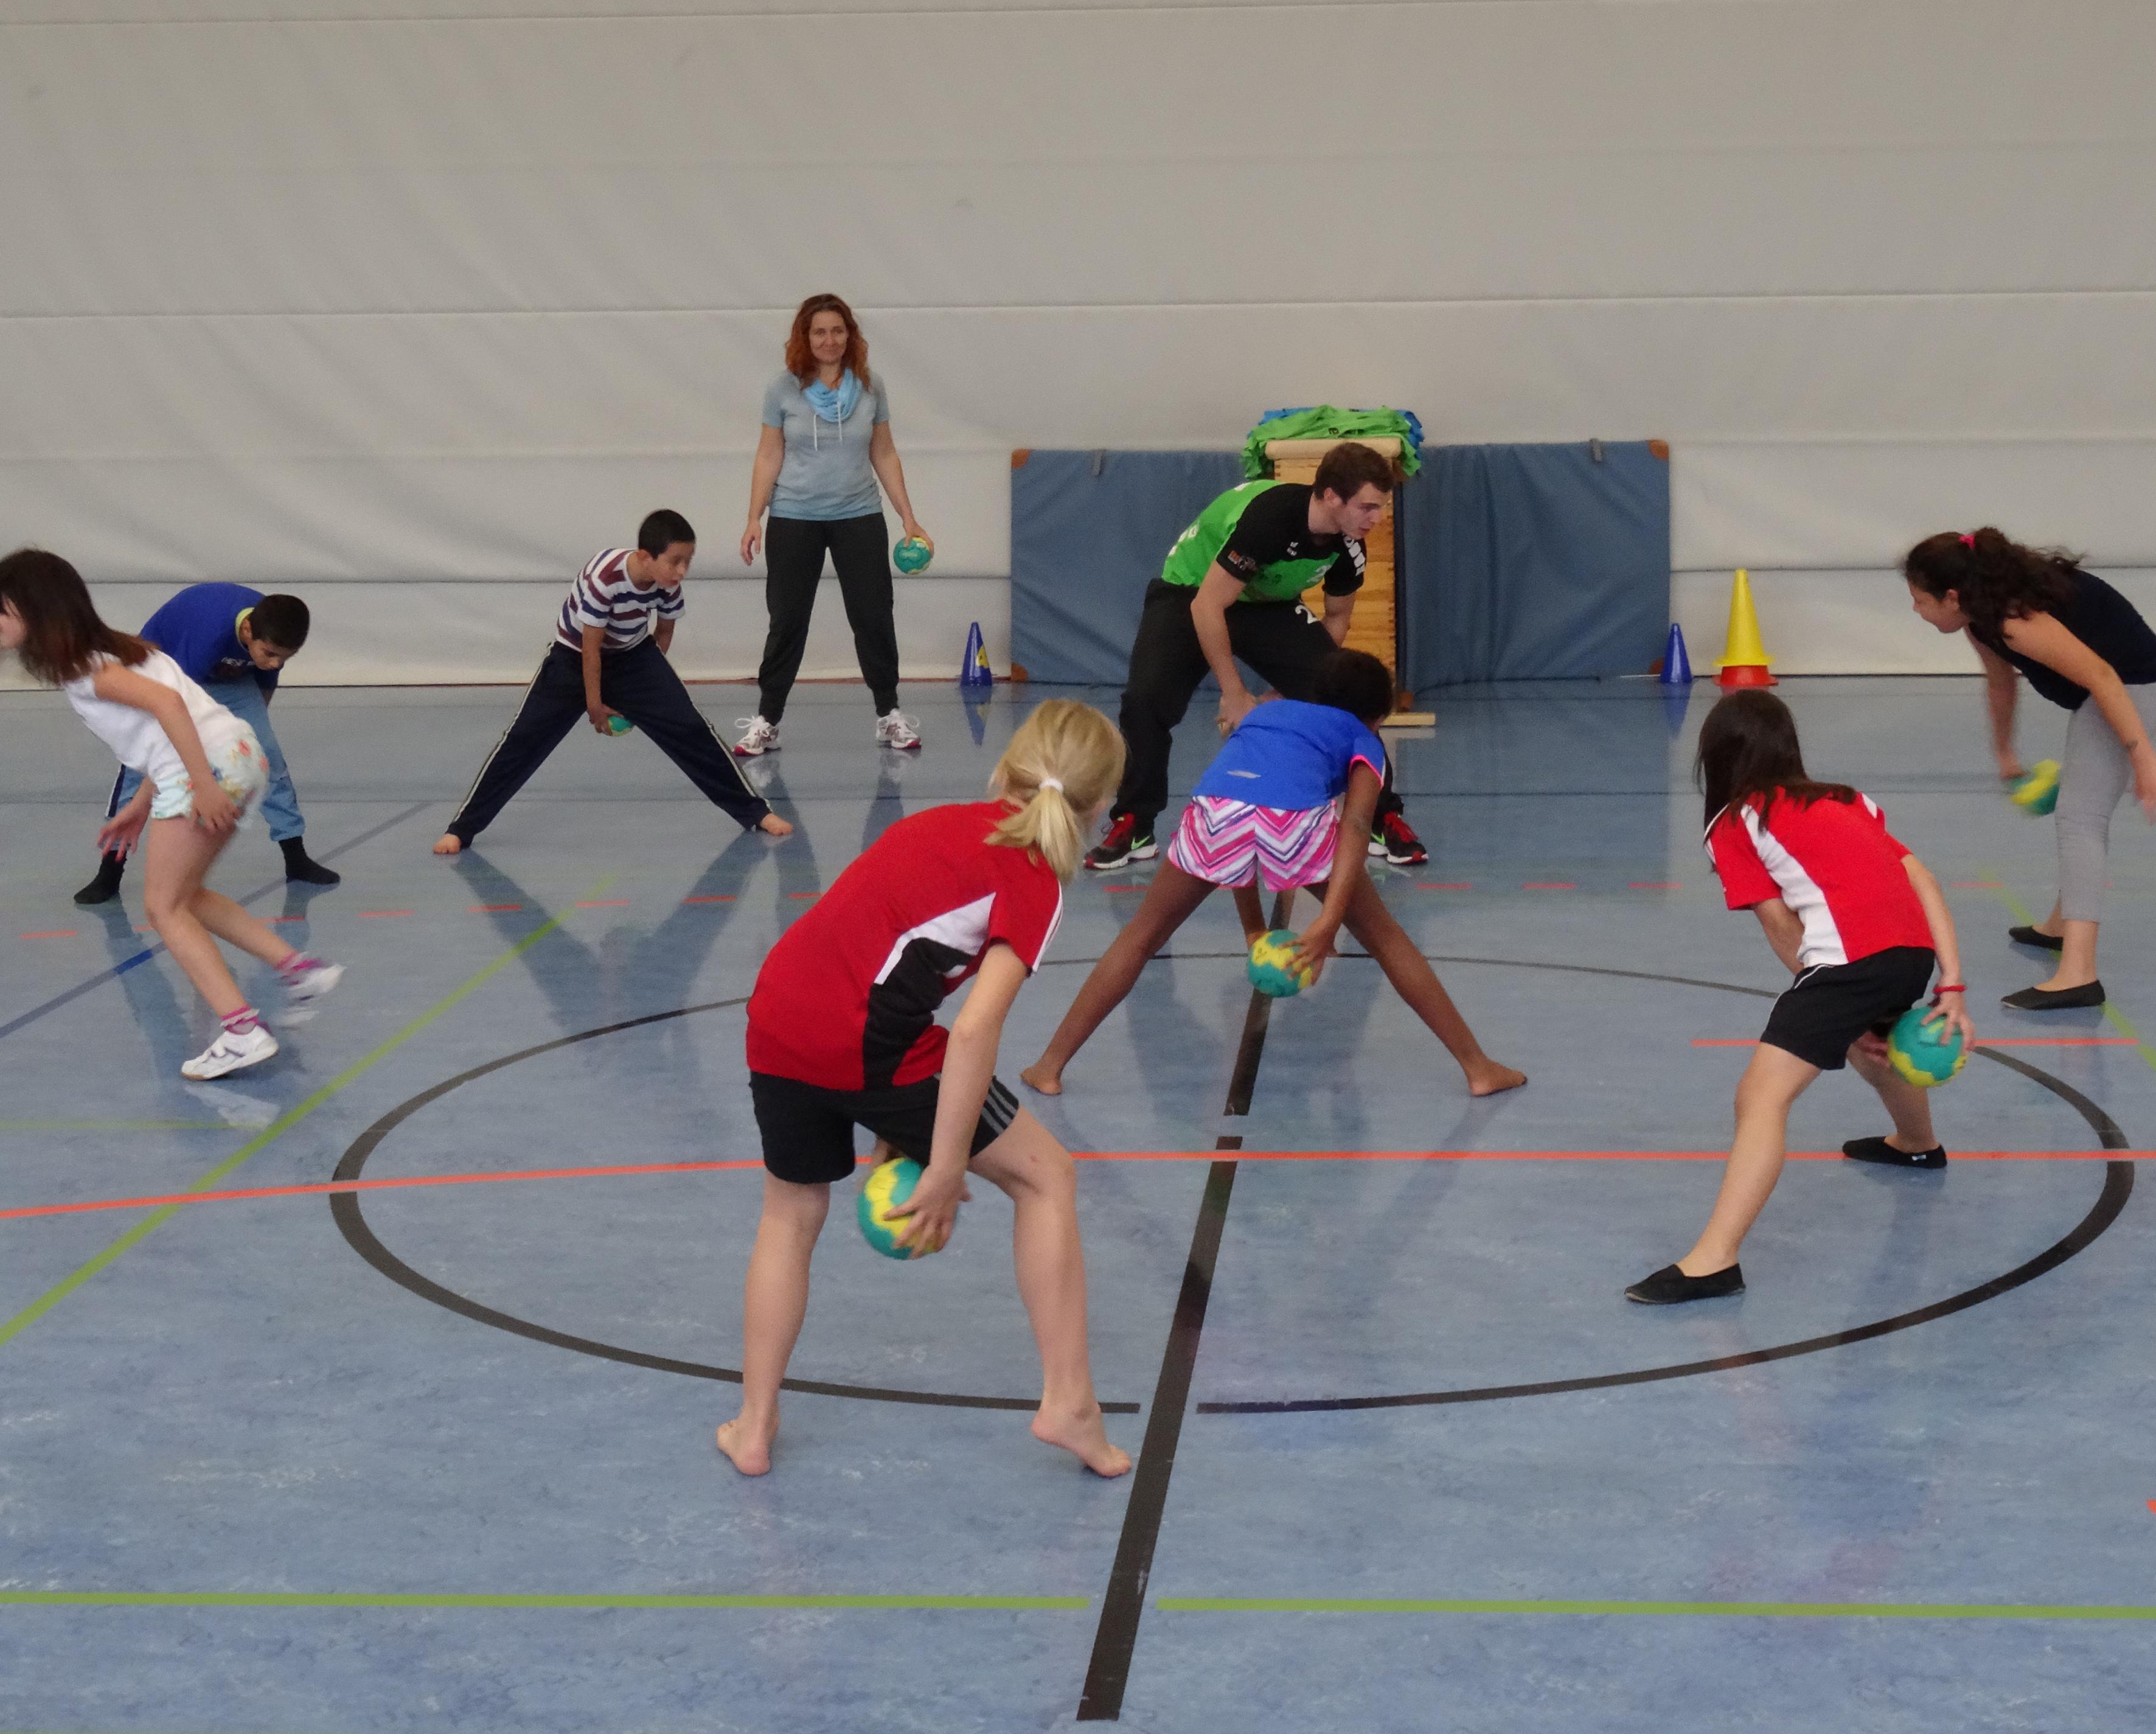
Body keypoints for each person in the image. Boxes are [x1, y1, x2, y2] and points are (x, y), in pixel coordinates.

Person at [717, 700, 1132, 1480]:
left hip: (776, 1016)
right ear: (1100, 807)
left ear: (1006, 768)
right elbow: (972, 1031)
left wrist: (894, 1125)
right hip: (867, 1042)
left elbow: (871, 949)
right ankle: (1070, 1404)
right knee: (1047, 1179)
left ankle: (754, 1425)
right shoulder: (1034, 879)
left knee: (790, 1213)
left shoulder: (938, 823)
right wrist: (942, 1167)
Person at [1024, 651, 1523, 1098]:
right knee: (1389, 941)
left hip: (1213, 812)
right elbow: (1354, 826)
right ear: (1380, 718)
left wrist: (1254, 928)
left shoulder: (1265, 714)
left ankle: (1049, 1066)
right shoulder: (1364, 740)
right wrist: (1328, 921)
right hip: (1293, 820)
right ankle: (1477, 1068)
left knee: (1140, 937)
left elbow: (1242, 819)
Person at [1628, 690, 1970, 1307]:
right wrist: (1950, 983)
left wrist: (1831, 999)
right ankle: (1917, 1145)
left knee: (1760, 1097)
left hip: (1852, 962)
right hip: (1912, 954)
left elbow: (1781, 925)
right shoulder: (1847, 800)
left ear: (1716, 757)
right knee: (1875, 1049)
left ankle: (1714, 1261)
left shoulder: (1735, 822)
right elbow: (1921, 880)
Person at [0, 551, 345, 1080]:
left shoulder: (88, 669)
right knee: (189, 896)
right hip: (238, 753)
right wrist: (141, 804)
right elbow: (159, 731)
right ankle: (300, 970)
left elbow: (168, 706)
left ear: (35, 610)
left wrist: (201, 785)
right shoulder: (120, 649)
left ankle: (242, 1030)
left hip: (206, 769)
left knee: (163, 907)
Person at [1085, 442, 1428, 872]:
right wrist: (1235, 694)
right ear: (1330, 497)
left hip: (1267, 604)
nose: (1376, 518)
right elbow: (1208, 606)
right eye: (1367, 507)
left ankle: (1383, 817)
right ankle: (1135, 823)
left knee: (1348, 697)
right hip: (1192, 592)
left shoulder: (1350, 545)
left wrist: (1286, 691)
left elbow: (1338, 618)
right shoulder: (1270, 519)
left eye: (1380, 507)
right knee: (1146, 701)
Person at [1903, 528, 2156, 1010]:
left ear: (1951, 597)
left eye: (1920, 600)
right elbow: (2001, 682)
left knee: (2080, 817)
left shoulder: (2015, 619)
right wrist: (2005, 752)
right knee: (2079, 810)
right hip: (2107, 690)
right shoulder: (1980, 616)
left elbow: (2103, 677)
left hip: (2134, 688)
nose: (1915, 610)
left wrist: (2145, 760)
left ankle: (2079, 974)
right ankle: (2058, 926)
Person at [432, 510, 793, 854]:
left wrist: (648, 687)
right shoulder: (605, 578)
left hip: (633, 655)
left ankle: (755, 812)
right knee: (523, 740)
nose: (682, 571)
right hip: (573, 658)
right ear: (646, 557)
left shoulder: (667, 583)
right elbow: (591, 651)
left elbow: (664, 633)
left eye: (688, 561)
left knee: (692, 729)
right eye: (675, 561)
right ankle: (461, 829)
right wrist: (595, 705)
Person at [732, 293, 933, 759]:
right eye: (819, 332)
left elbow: (884, 452)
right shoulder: (782, 389)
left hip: (859, 515)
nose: (829, 340)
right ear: (805, 337)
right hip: (793, 517)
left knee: (874, 616)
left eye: (838, 331)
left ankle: (889, 714)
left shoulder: (872, 386)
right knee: (787, 621)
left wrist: (908, 516)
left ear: (850, 335)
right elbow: (769, 454)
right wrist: (753, 517)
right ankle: (767, 720)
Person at [75, 583, 331, 905]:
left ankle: (296, 856)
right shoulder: (208, 632)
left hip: (228, 681)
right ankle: (110, 871)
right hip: (170, 680)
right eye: (270, 654)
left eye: (285, 658)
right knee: (140, 770)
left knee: (268, 755)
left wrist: (244, 737)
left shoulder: (272, 631)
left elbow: (265, 685)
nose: (276, 663)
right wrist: (200, 776)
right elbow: (176, 704)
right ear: (247, 631)